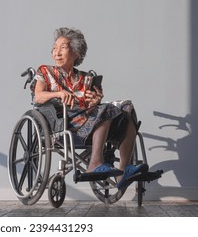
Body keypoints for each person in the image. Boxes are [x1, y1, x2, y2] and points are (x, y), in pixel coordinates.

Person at [30, 27, 148, 191]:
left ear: (76, 53)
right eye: (55, 48)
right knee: (105, 109)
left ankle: (123, 170)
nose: (56, 53)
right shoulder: (45, 71)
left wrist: (95, 101)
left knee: (126, 106)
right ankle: (94, 164)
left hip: (91, 119)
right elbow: (38, 96)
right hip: (64, 121)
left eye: (62, 48)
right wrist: (59, 93)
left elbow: (93, 104)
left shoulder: (87, 78)